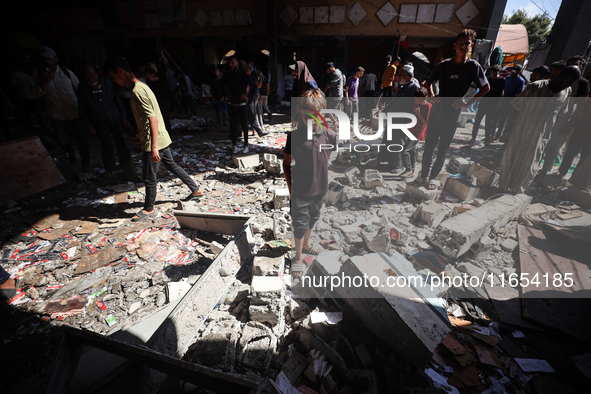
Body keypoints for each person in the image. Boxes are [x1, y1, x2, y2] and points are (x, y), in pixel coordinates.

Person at [105, 55, 204, 221]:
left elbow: (153, 119)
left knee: (149, 177)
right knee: (172, 166)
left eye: (113, 76)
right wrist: (140, 134)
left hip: (155, 141)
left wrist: (153, 147)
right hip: (160, 137)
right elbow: (147, 118)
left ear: (120, 71)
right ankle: (196, 189)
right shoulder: (141, 87)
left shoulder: (137, 91)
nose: (113, 81)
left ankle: (149, 209)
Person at [416, 29, 489, 190]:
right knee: (428, 147)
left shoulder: (473, 67)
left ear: (472, 45)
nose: (463, 46)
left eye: (467, 43)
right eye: (460, 43)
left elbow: (485, 87)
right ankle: (423, 176)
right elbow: (428, 82)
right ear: (455, 46)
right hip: (437, 111)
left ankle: (433, 178)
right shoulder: (444, 65)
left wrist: (467, 104)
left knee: (442, 150)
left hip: (453, 113)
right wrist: (432, 95)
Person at [498, 66, 581, 193]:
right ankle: (502, 189)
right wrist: (506, 132)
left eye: (571, 83)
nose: (568, 85)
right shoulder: (536, 87)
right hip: (520, 133)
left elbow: (560, 114)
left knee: (529, 166)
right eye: (567, 81)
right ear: (560, 76)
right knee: (511, 160)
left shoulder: (566, 92)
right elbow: (515, 108)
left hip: (540, 137)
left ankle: (516, 192)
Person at [283, 88, 337, 279]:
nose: (312, 123)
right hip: (301, 190)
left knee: (313, 217)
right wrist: (291, 189)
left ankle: (306, 244)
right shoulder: (294, 136)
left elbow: (326, 158)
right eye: (307, 118)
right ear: (301, 115)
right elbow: (286, 164)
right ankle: (298, 257)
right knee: (299, 224)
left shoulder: (329, 135)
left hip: (320, 188)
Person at [78, 64, 140, 180]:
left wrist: (123, 117)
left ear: (97, 74)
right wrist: (89, 125)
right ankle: (109, 168)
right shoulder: (82, 88)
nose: (91, 80)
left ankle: (127, 165)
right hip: (99, 120)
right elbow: (82, 109)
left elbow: (116, 100)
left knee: (120, 142)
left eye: (93, 77)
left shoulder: (106, 83)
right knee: (107, 144)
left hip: (114, 116)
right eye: (88, 78)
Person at [32, 46, 89, 171]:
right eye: (44, 59)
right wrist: (44, 81)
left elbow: (79, 90)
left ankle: (86, 165)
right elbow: (36, 94)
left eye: (49, 58)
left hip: (74, 111)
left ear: (56, 59)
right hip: (56, 114)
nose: (47, 61)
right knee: (62, 141)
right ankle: (71, 150)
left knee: (82, 139)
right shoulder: (38, 75)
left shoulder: (67, 73)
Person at [469, 64, 505, 145]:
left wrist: (499, 104)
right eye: (492, 72)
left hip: (493, 104)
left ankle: (487, 138)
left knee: (488, 122)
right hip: (484, 103)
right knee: (477, 121)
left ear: (497, 72)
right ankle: (473, 137)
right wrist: (477, 102)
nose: (493, 74)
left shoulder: (501, 81)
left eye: (494, 73)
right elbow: (482, 91)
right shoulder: (487, 79)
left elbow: (502, 93)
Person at [400, 87, 431, 178]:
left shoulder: (427, 106)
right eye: (416, 99)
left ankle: (408, 169)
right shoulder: (417, 105)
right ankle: (412, 171)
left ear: (425, 97)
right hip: (411, 131)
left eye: (419, 100)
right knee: (411, 151)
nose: (417, 101)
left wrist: (418, 113)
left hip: (417, 133)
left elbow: (426, 122)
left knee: (405, 150)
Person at [558, 95, 591, 179]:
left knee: (571, 153)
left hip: (580, 130)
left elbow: (580, 111)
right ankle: (572, 178)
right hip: (581, 130)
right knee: (582, 157)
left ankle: (562, 175)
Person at [224, 56, 251, 154]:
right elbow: (222, 86)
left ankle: (246, 145)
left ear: (237, 63)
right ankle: (234, 145)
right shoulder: (228, 75)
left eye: (232, 63)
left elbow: (254, 86)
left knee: (244, 125)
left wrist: (248, 97)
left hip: (242, 105)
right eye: (229, 63)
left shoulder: (243, 75)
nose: (230, 65)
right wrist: (225, 94)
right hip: (232, 104)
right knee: (233, 126)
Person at [495, 64, 525, 141]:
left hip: (511, 104)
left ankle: (504, 136)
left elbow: (519, 94)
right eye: (512, 72)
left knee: (507, 121)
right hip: (503, 101)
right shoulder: (508, 78)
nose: (512, 74)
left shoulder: (520, 81)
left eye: (515, 72)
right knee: (500, 119)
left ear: (519, 72)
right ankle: (497, 135)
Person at [244, 63, 267, 137]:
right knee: (250, 114)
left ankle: (257, 131)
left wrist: (248, 95)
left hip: (249, 97)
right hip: (247, 97)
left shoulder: (249, 77)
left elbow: (257, 86)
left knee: (251, 114)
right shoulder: (246, 77)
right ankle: (257, 131)